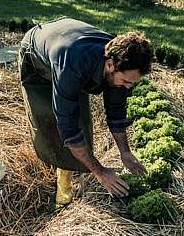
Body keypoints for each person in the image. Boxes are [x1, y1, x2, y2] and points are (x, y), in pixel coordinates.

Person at [18, 17, 154, 205]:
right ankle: (60, 170)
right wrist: (101, 172)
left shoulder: (121, 59)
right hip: (37, 57)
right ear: (110, 65)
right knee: (49, 119)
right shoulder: (72, 65)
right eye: (126, 81)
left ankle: (69, 166)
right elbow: (68, 127)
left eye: (132, 82)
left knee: (81, 119)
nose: (128, 86)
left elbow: (116, 111)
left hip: (68, 46)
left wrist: (125, 152)